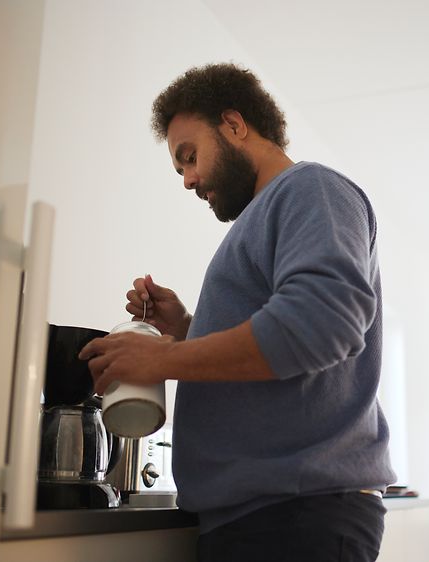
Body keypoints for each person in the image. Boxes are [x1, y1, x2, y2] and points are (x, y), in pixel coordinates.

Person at [79, 63, 396, 562]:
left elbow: (318, 325)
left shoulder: (310, 189)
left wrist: (159, 360)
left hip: (296, 518)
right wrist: (185, 330)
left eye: (189, 156)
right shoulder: (266, 216)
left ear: (233, 124)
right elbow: (276, 351)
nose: (186, 180)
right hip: (266, 517)